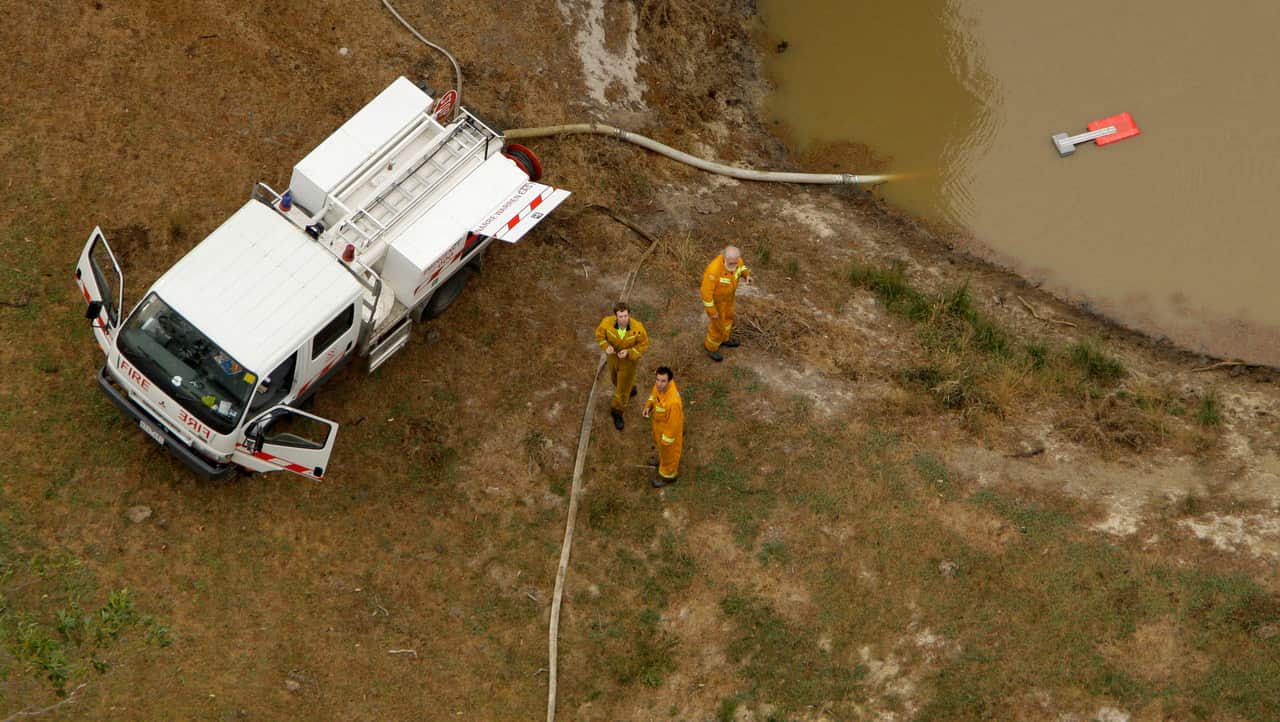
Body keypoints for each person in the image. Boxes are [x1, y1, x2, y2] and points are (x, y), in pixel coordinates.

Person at [594, 301, 650, 430]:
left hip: (628, 363)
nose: (623, 319)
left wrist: (629, 352)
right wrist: (606, 346)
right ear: (616, 316)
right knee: (615, 380)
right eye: (620, 316)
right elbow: (599, 335)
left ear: (629, 314)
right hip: (613, 359)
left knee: (621, 390)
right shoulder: (606, 323)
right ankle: (631, 389)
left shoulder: (638, 329)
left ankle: (617, 411)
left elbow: (643, 345)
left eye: (625, 316)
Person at [700, 245, 752, 362]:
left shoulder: (736, 260)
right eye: (731, 264)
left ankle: (725, 338)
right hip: (717, 304)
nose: (733, 267)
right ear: (724, 258)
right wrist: (712, 311)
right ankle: (711, 347)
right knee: (718, 326)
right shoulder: (713, 271)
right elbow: (706, 294)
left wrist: (747, 275)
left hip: (729, 299)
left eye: (735, 264)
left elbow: (742, 268)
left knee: (728, 319)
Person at [642, 366, 684, 488]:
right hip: (659, 428)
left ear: (670, 381)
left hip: (668, 436)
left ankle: (668, 476)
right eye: (657, 379)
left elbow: (673, 424)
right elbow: (652, 397)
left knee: (669, 455)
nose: (659, 384)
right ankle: (662, 461)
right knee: (662, 450)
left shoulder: (673, 402)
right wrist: (648, 406)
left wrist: (666, 441)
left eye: (663, 381)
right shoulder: (658, 387)